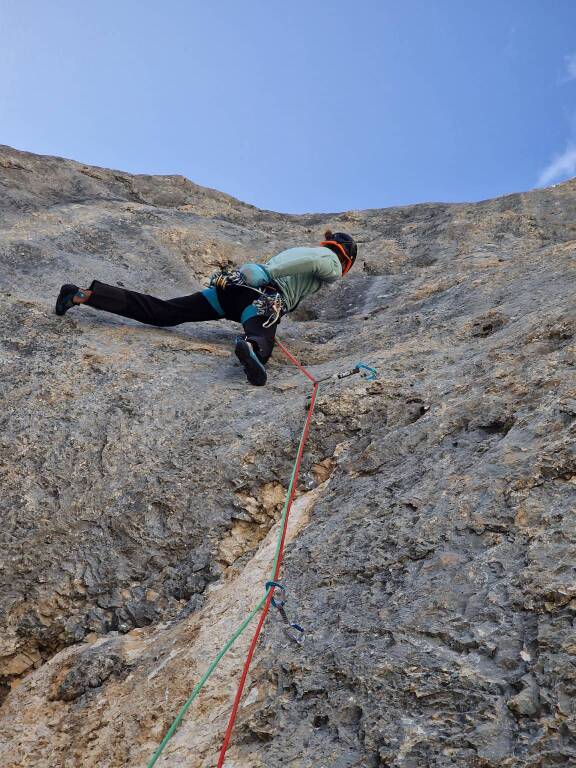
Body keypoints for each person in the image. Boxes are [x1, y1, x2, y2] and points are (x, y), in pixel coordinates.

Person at [55, 230, 358, 386]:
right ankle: (252, 348)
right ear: (346, 259)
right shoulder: (329, 259)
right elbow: (318, 263)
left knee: (163, 312)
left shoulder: (297, 250)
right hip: (261, 296)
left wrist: (256, 272)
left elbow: (296, 262)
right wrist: (267, 272)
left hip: (231, 292)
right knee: (262, 334)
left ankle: (85, 296)